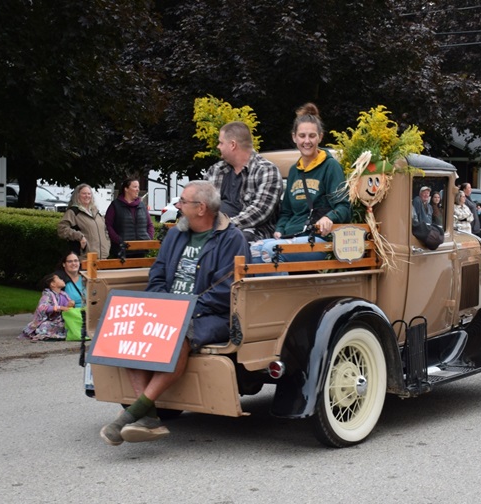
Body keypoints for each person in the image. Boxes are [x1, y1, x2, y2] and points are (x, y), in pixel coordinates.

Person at [99, 180, 249, 446]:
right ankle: (150, 416)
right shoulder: (176, 233)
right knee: (128, 329)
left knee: (178, 333)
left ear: (201, 208)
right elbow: (157, 273)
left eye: (182, 201)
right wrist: (162, 305)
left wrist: (184, 310)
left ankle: (133, 413)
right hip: (170, 308)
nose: (178, 206)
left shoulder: (231, 238)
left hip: (211, 315)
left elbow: (225, 291)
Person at [250, 104, 351, 267]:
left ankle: (282, 292)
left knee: (269, 251)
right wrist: (280, 229)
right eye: (302, 136)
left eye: (312, 136)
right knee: (253, 249)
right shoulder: (294, 171)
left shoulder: (330, 167)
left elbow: (344, 208)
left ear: (320, 137)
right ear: (294, 137)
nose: (307, 141)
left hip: (317, 239)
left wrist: (329, 218)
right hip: (291, 236)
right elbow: (286, 211)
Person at [205, 121, 283, 241]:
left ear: (232, 145)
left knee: (234, 238)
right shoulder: (215, 170)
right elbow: (203, 204)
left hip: (253, 232)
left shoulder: (266, 170)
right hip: (214, 231)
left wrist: (224, 226)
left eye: (221, 143)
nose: (218, 146)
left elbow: (260, 211)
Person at [58, 183, 111, 259]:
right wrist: (79, 236)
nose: (87, 196)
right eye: (84, 193)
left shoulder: (96, 212)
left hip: (103, 257)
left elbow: (105, 230)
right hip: (85, 258)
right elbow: (62, 229)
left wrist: (107, 243)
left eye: (89, 194)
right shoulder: (73, 212)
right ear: (77, 195)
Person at [105, 177, 154, 258]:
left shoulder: (142, 205)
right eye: (135, 187)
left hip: (140, 250)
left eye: (138, 187)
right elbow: (108, 226)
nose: (138, 189)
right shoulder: (115, 205)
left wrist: (148, 239)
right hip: (122, 251)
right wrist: (119, 241)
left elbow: (150, 224)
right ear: (126, 189)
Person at [19, 273, 73, 341]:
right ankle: (45, 334)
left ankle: (55, 334)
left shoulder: (64, 295)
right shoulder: (47, 295)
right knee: (45, 326)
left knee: (66, 325)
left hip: (60, 321)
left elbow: (67, 307)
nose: (62, 279)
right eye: (59, 279)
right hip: (49, 320)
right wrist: (59, 307)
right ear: (53, 284)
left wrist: (70, 304)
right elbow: (42, 307)